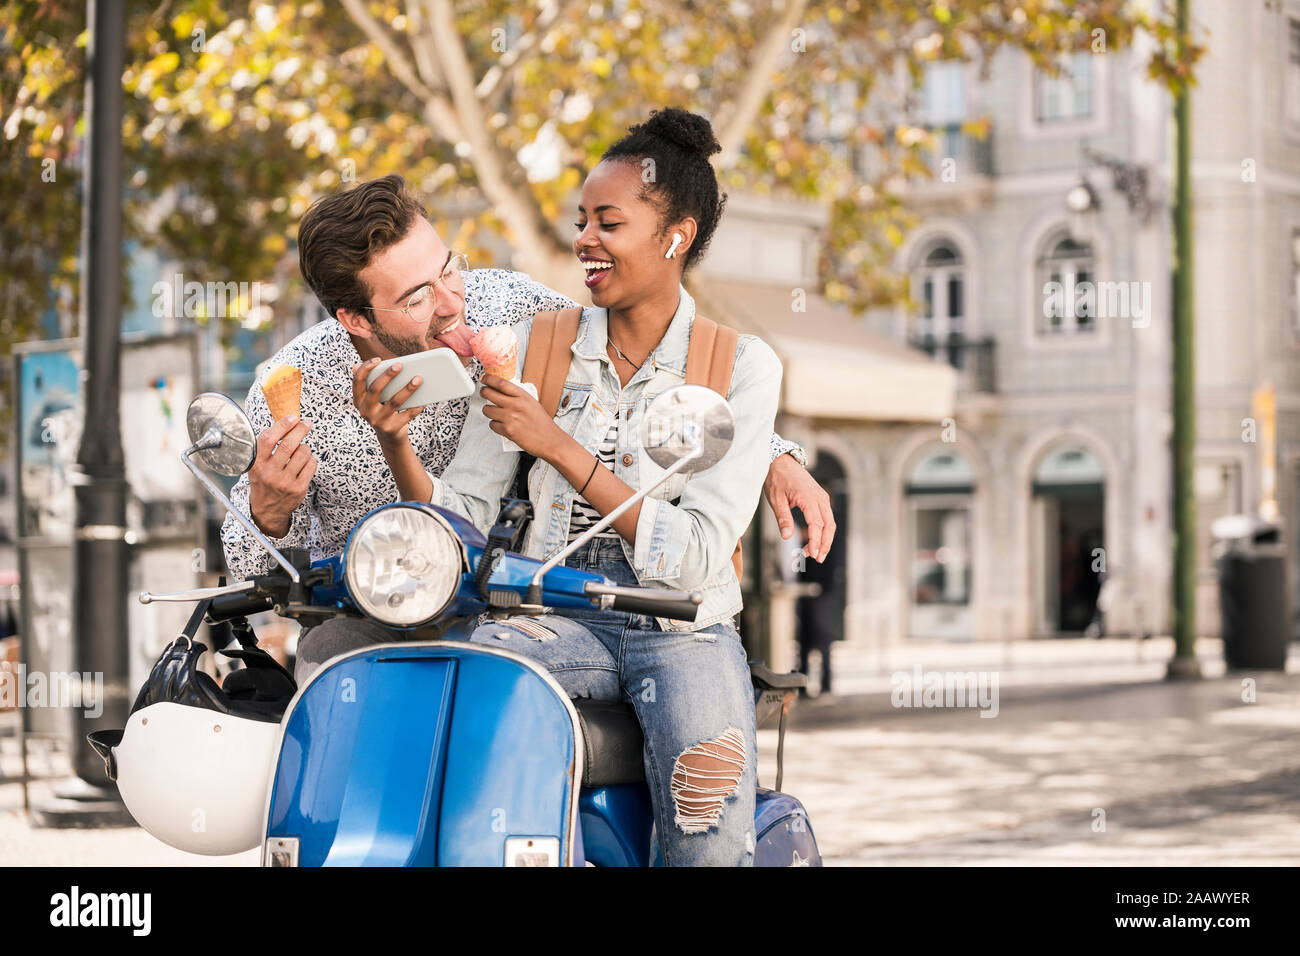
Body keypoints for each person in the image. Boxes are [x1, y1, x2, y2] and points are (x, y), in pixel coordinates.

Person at [217, 174, 837, 673]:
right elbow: (248, 562)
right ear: (354, 317)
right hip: (377, 624)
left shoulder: (512, 305)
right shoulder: (298, 381)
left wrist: (774, 455)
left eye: (448, 269)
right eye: (415, 298)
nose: (452, 302)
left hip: (527, 607)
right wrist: (270, 507)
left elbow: (633, 370)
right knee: (323, 684)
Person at [407, 108, 778, 866]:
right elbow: (464, 514)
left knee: (707, 829)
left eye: (608, 222)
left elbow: (697, 556)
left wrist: (558, 445)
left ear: (674, 237)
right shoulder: (539, 343)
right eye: (582, 220)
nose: (585, 239)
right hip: (556, 605)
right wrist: (391, 438)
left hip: (683, 628)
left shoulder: (741, 366)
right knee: (463, 684)